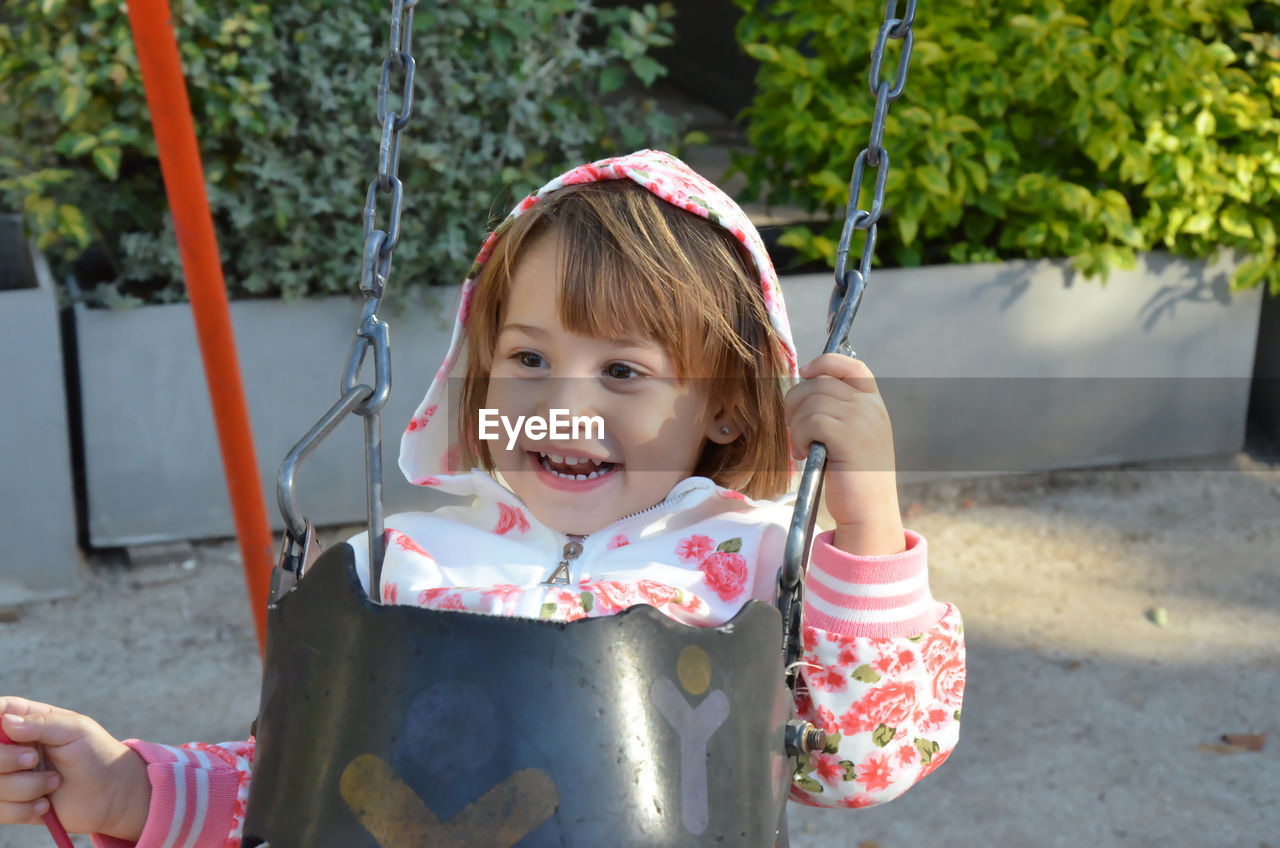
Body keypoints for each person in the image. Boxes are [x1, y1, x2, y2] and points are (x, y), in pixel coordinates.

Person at [0, 150, 965, 846]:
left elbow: (865, 763)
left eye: (623, 371)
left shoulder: (757, 569)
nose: (562, 404)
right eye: (530, 358)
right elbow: (300, 789)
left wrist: (868, 527)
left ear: (721, 407)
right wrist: (129, 791)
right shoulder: (405, 567)